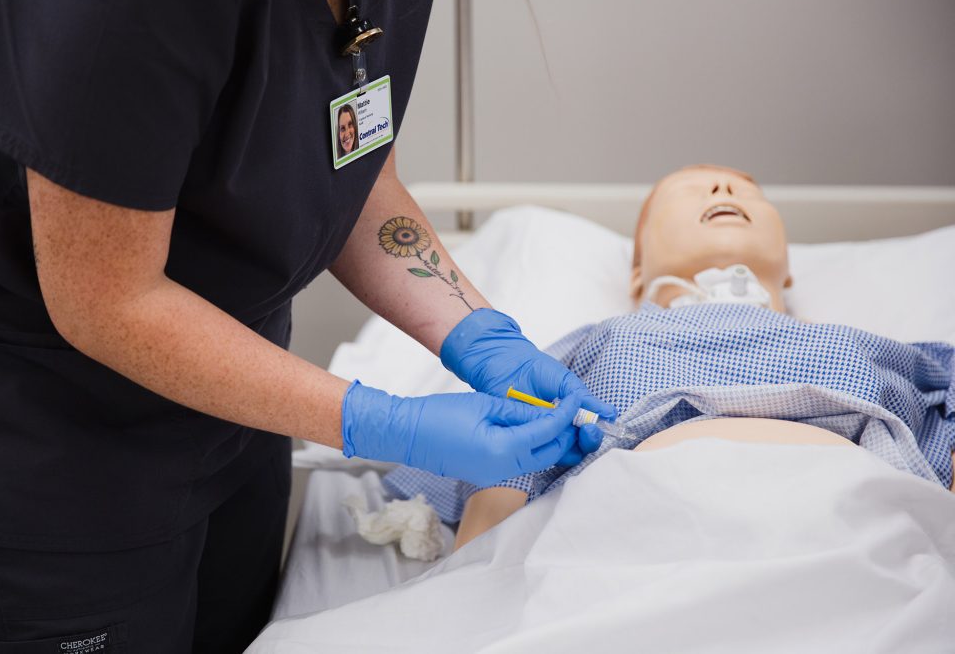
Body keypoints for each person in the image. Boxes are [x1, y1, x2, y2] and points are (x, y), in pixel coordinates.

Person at [0, 0, 612, 651]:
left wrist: (479, 333)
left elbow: (356, 166)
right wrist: (386, 424)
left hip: (241, 398)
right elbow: (106, 296)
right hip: (51, 442)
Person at [383, 164, 955, 551]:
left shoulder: (862, 347)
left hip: (848, 538)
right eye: (691, 191)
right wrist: (480, 577)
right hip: (640, 541)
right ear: (636, 271)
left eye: (745, 189)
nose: (724, 192)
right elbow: (506, 459)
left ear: (789, 267)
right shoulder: (603, 342)